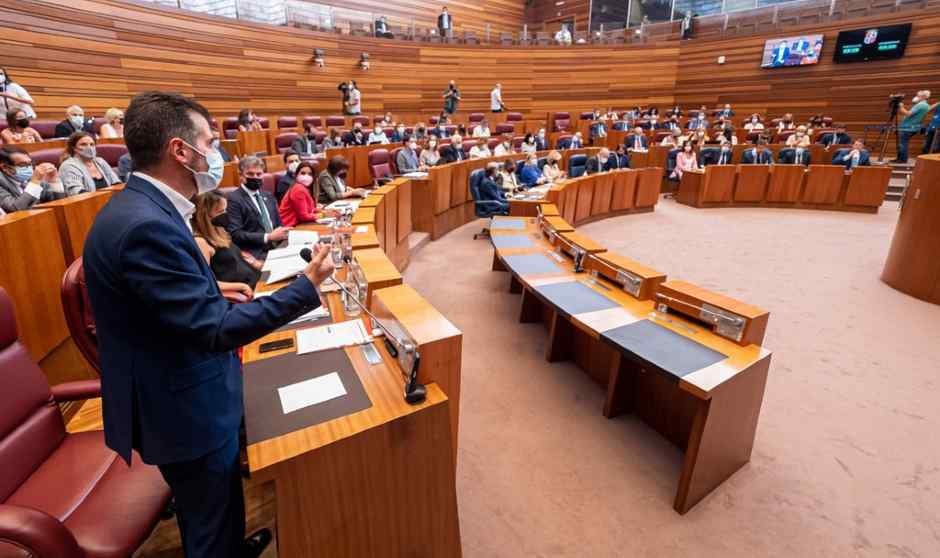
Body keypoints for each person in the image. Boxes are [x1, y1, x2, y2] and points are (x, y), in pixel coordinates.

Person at [82, 91, 333, 558]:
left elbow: (157, 300)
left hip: (183, 388)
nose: (216, 154)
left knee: (220, 506)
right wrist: (307, 286)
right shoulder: (146, 226)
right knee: (209, 525)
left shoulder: (146, 208)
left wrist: (211, 291)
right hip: (183, 408)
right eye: (210, 143)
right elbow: (214, 330)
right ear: (180, 150)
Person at [192, 191, 263, 289]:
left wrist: (257, 264)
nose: (225, 214)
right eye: (220, 212)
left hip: (258, 280)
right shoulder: (201, 242)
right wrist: (241, 286)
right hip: (247, 289)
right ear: (205, 215)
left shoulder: (220, 231)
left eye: (225, 210)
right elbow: (207, 282)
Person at [225, 155, 289, 259]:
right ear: (241, 175)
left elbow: (278, 224)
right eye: (250, 174)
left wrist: (284, 234)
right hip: (256, 253)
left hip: (278, 246)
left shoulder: (268, 195)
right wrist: (268, 237)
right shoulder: (234, 199)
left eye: (259, 174)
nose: (255, 177)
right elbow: (236, 234)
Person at [0, 146, 66, 212]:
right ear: (5, 167)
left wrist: (54, 181)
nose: (29, 168)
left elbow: (58, 203)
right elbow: (15, 209)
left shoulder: (34, 176)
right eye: (23, 164)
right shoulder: (1, 183)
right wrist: (34, 182)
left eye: (30, 164)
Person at [279, 161, 333, 226]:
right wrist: (324, 215)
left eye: (310, 174)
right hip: (289, 226)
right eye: (303, 173)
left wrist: (323, 211)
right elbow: (304, 217)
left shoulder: (303, 188)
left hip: (298, 224)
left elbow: (308, 209)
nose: (306, 176)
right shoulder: (298, 189)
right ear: (296, 174)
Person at [895, 90, 934, 163]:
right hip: (913, 127)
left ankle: (902, 159)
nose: (916, 97)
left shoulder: (920, 105)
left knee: (903, 144)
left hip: (908, 127)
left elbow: (908, 114)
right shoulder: (926, 105)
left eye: (918, 96)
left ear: (923, 97)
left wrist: (901, 107)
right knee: (903, 143)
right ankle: (900, 158)